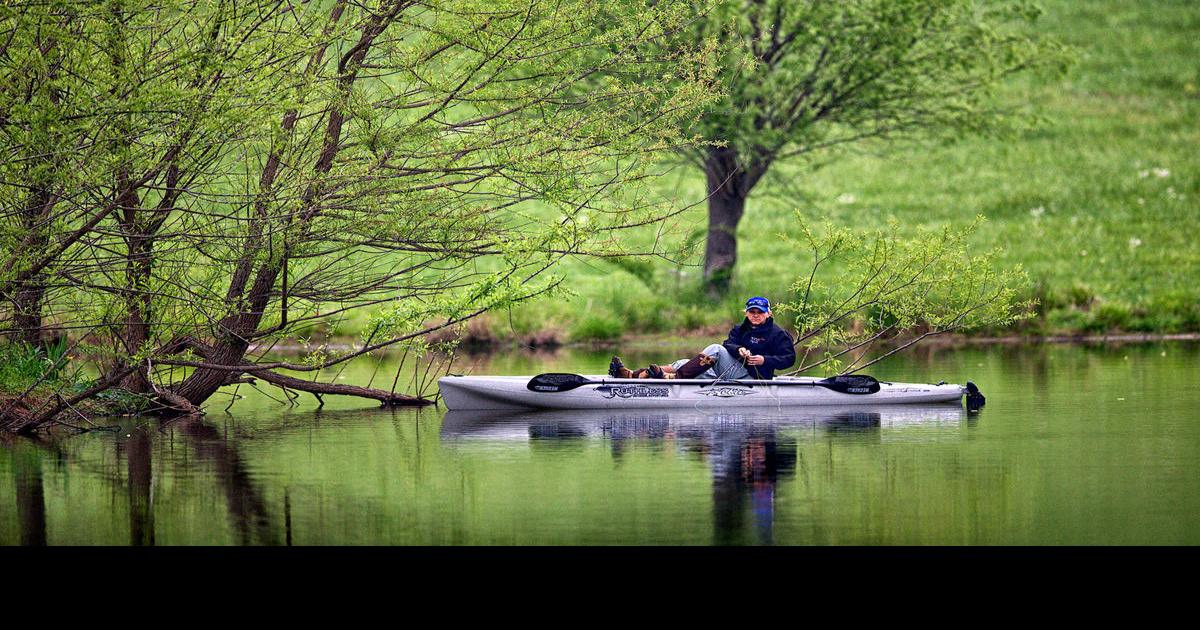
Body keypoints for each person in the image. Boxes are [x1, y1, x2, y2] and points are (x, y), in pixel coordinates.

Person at [609, 296, 796, 380]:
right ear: (746, 313)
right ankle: (632, 374)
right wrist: (737, 349)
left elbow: (789, 359)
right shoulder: (740, 329)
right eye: (752, 312)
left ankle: (675, 379)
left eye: (760, 312)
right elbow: (728, 344)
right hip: (731, 372)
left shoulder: (778, 334)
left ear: (768, 313)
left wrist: (765, 360)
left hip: (754, 378)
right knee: (683, 361)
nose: (756, 315)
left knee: (714, 349)